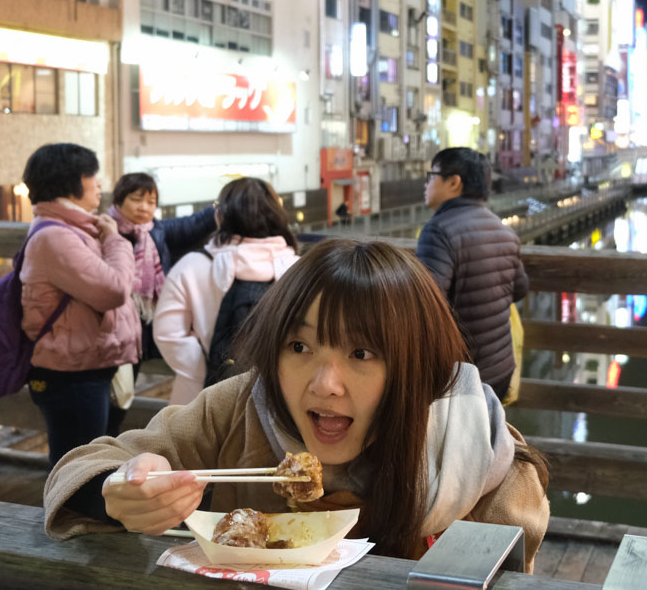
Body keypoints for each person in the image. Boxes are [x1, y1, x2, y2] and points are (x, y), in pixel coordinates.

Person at [39, 239, 551, 569]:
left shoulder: (476, 452)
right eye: (300, 347)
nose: (325, 385)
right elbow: (84, 464)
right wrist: (118, 490)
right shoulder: (239, 409)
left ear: (415, 367)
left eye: (362, 352)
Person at [18, 143, 139, 466]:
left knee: (83, 461)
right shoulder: (57, 237)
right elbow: (114, 289)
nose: (99, 183)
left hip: (81, 366)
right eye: (91, 175)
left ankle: (72, 515)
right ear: (69, 181)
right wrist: (115, 239)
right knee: (77, 468)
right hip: (70, 374)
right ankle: (65, 518)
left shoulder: (71, 229)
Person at [153, 178, 301, 406]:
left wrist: (209, 366)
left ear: (220, 217)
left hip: (198, 400)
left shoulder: (192, 265)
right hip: (280, 398)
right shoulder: (298, 270)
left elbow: (166, 333)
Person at [416, 148, 527, 400]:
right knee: (483, 436)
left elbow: (424, 301)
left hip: (461, 376)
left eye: (431, 175)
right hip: (500, 370)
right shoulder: (504, 230)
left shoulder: (439, 230)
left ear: (454, 182)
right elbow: (520, 288)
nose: (426, 184)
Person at [108, 173, 217, 361]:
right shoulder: (105, 231)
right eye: (136, 200)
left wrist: (221, 205)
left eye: (151, 202)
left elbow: (194, 224)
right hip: (115, 325)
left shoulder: (158, 230)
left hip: (149, 324)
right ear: (119, 200)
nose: (144, 207)